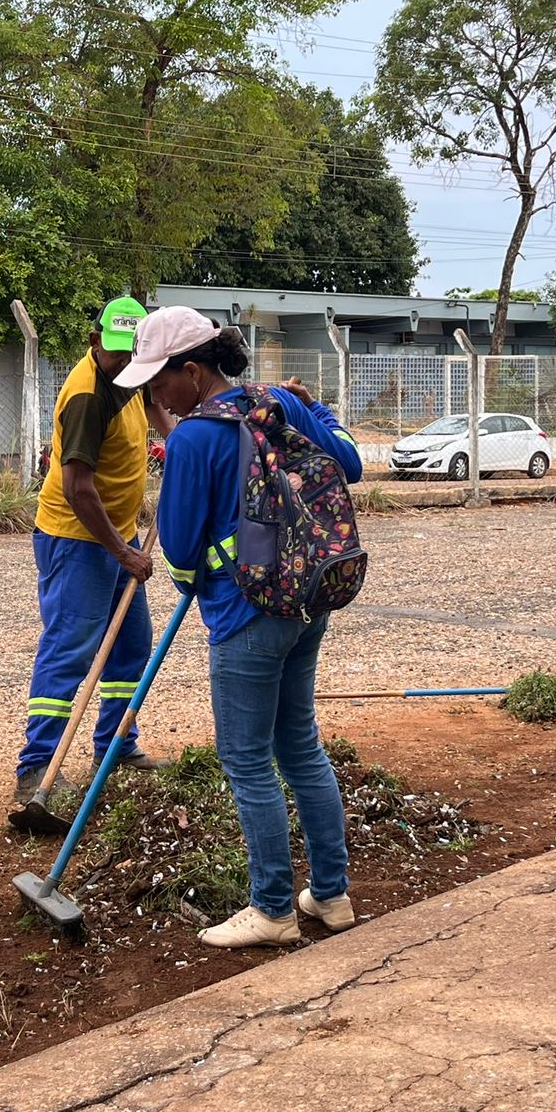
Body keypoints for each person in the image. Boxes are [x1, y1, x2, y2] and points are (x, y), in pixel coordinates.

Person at [117, 306, 363, 949]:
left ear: (192, 371)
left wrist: (194, 582)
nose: (153, 393)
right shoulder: (280, 401)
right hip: (309, 598)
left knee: (247, 760)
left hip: (244, 614)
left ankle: (273, 908)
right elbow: (350, 464)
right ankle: (331, 897)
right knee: (299, 746)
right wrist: (320, 409)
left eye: (157, 380)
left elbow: (177, 544)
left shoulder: (194, 439)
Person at [16, 297, 175, 805]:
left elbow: (153, 404)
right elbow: (77, 488)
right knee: (70, 649)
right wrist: (124, 553)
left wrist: (182, 441)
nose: (125, 363)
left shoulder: (133, 374)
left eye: (133, 353)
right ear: (94, 343)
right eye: (116, 354)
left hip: (117, 532)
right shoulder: (86, 395)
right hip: (78, 537)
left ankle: (116, 746)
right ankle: (37, 768)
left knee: (131, 647)